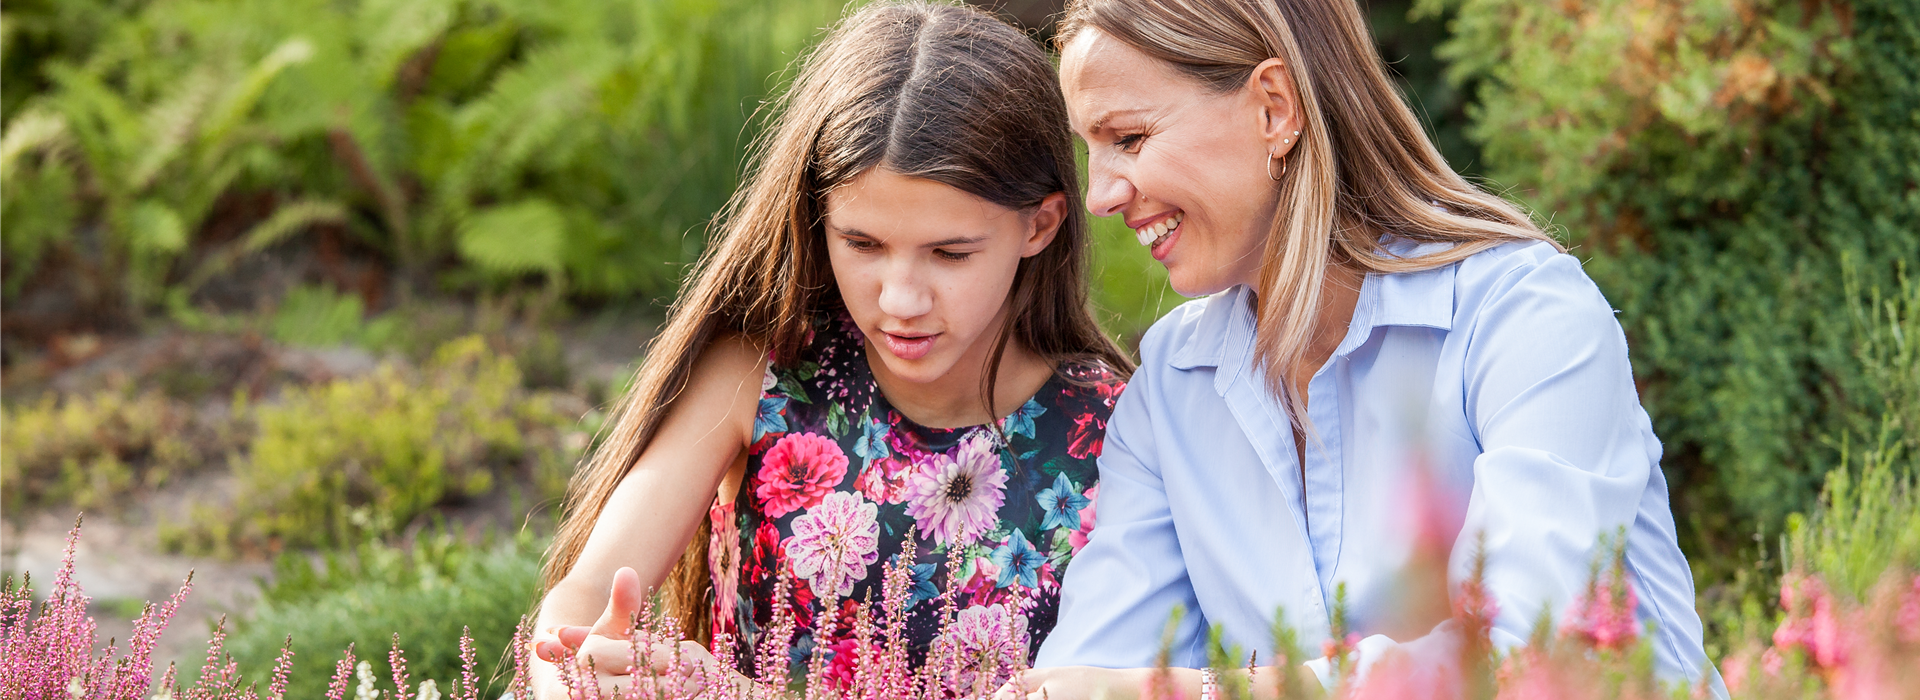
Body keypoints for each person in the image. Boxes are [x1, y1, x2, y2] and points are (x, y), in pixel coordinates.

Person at [1006, 0, 1725, 697]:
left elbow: (1524, 656)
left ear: (1274, 108)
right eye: (1088, 151)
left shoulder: (1522, 315)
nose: (1099, 194)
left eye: (1128, 138)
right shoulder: (1171, 382)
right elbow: (1094, 666)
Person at [521, 2, 1132, 698]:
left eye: (950, 253)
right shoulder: (763, 374)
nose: (900, 298)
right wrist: (571, 672)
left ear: (1041, 223)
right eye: (862, 244)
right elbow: (585, 597)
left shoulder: (1115, 433)